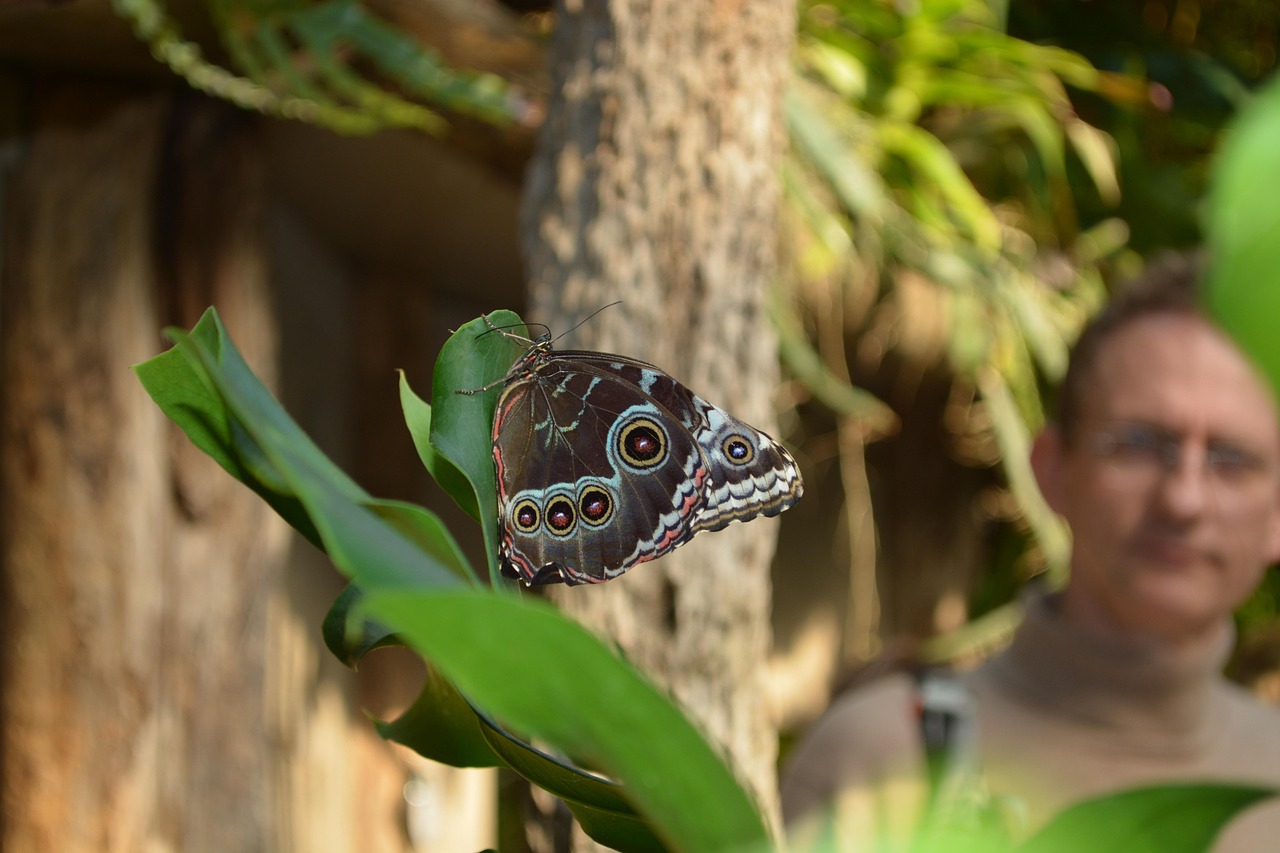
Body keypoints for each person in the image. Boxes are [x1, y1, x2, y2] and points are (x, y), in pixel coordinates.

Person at [780, 254, 1280, 852]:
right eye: (1140, 444)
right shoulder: (882, 765)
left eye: (1231, 459)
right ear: (1052, 471)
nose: (1184, 498)